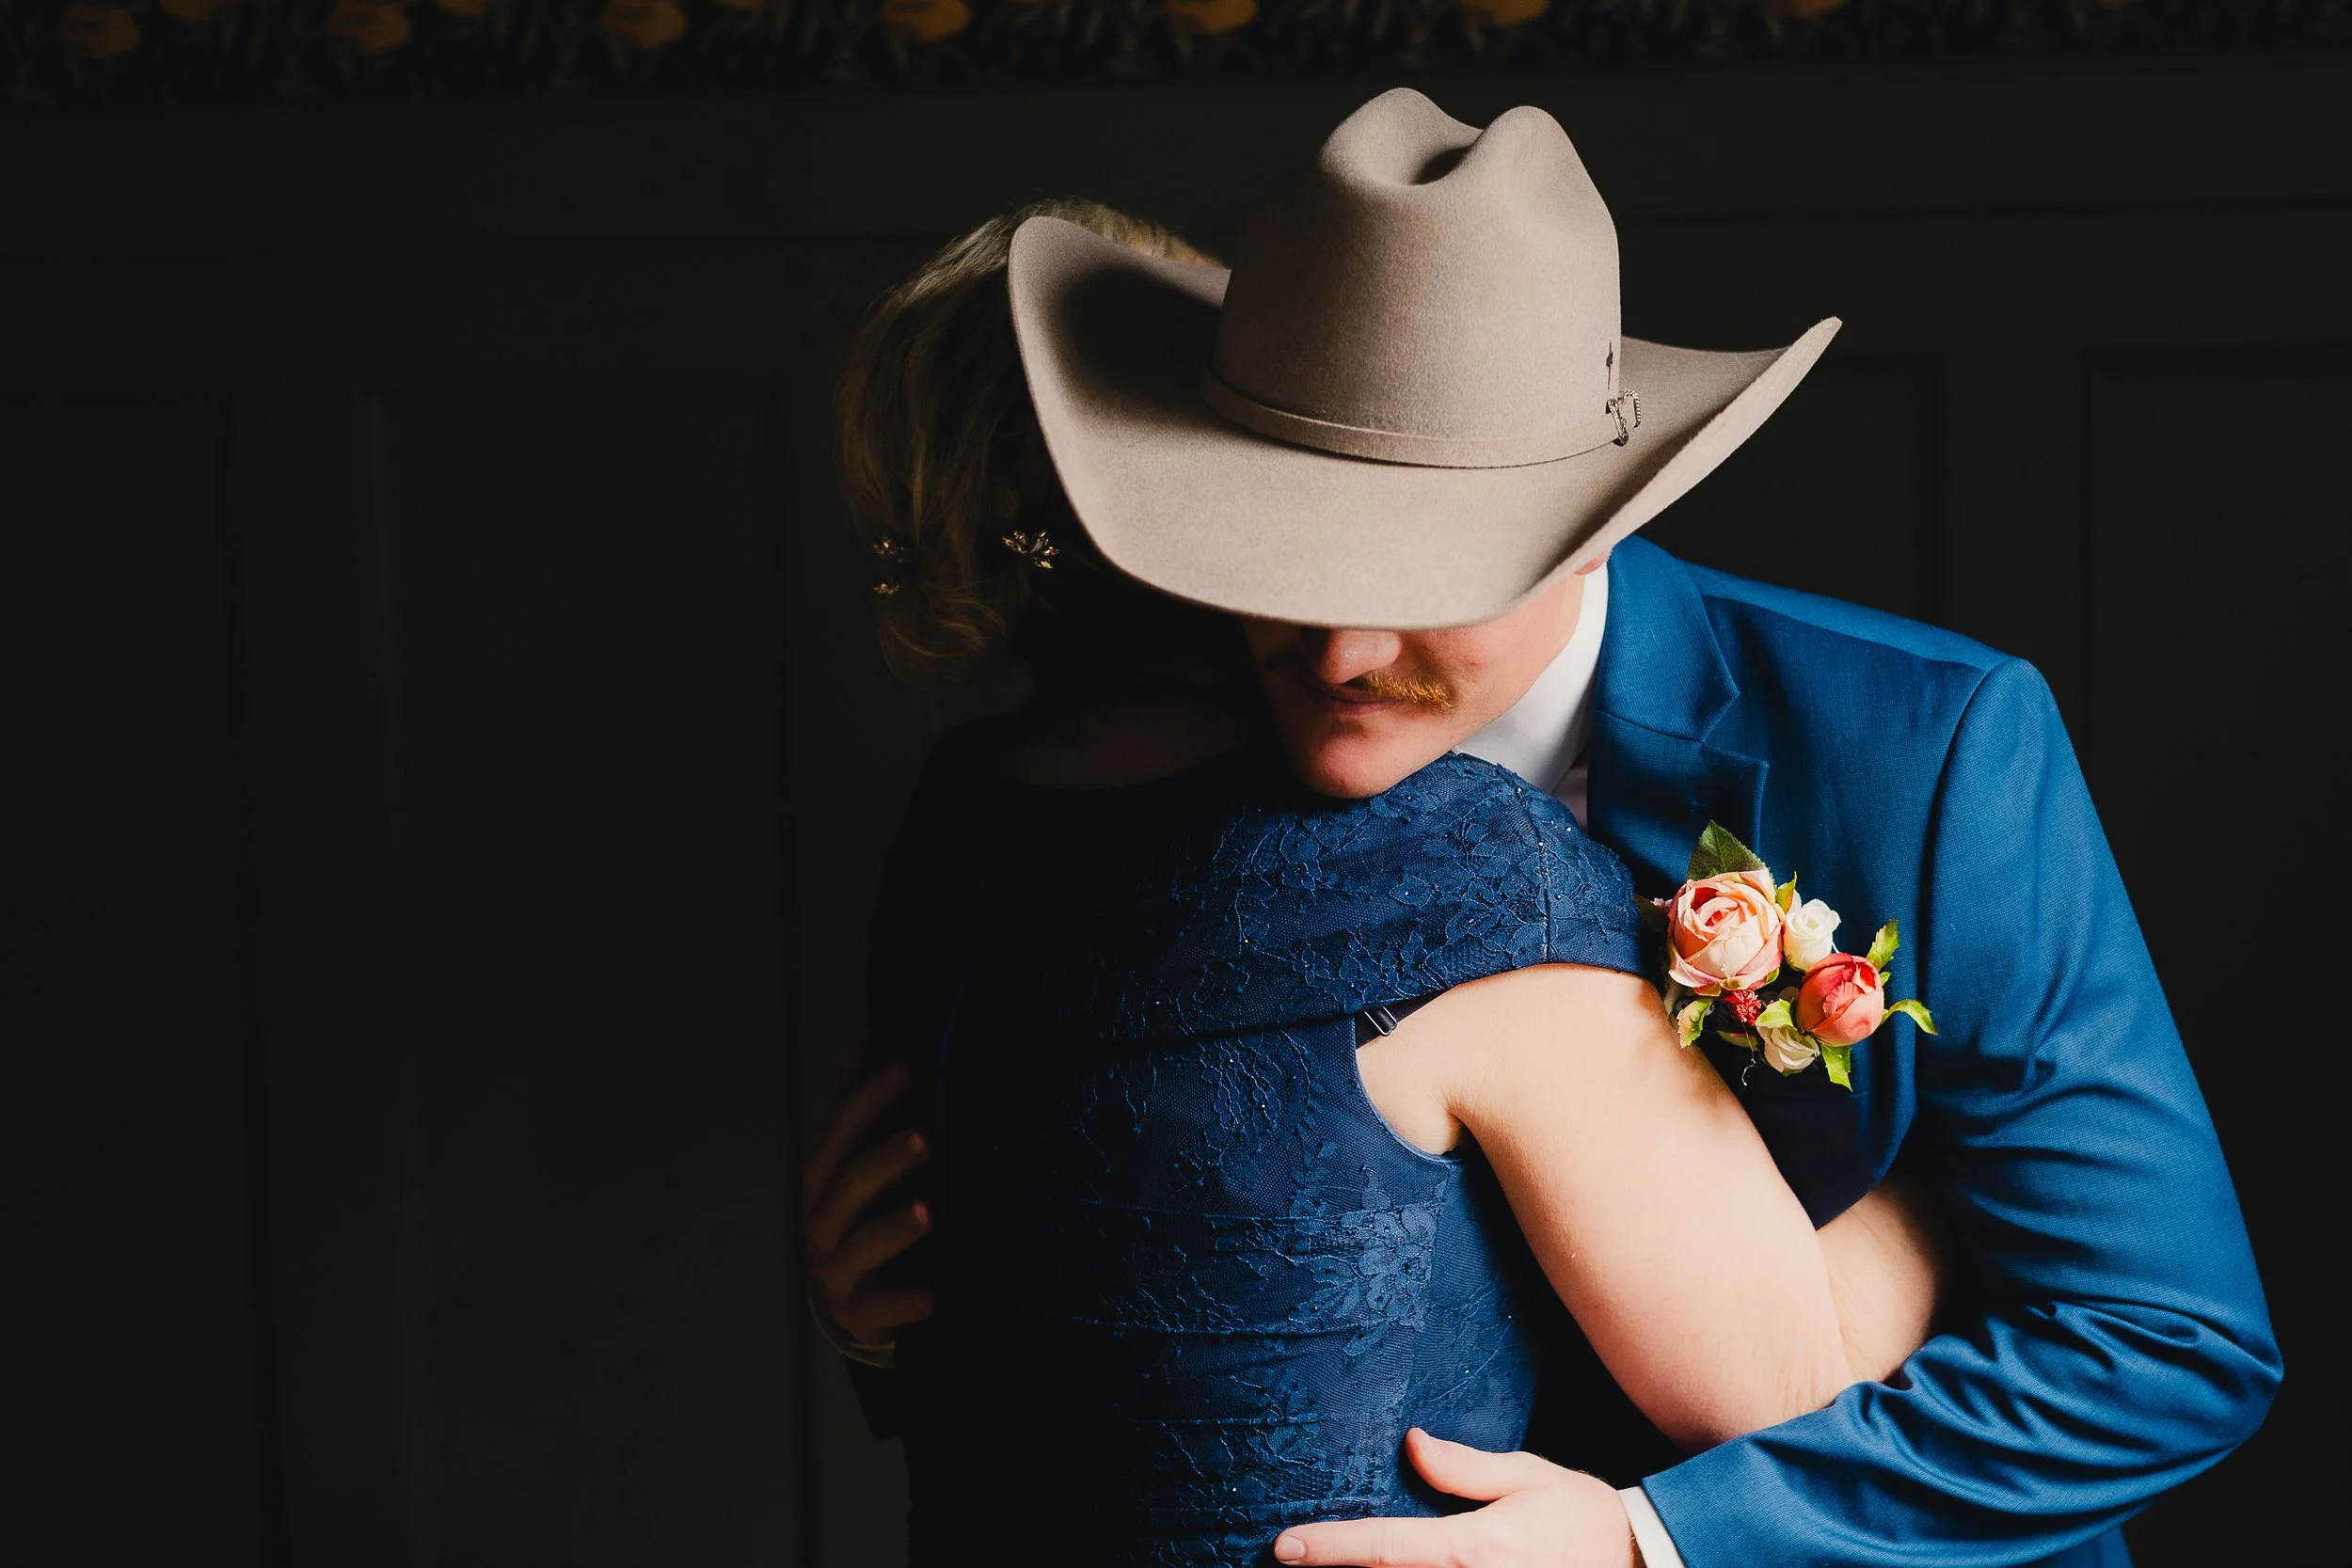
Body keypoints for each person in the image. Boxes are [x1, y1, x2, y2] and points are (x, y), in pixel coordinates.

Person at [820, 89, 2280, 1568]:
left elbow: (2171, 1346)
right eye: (1277, 542)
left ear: (1587, 514)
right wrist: (902, 1316)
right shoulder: (1092, 807)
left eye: (1424, 565)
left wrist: (1661, 1538)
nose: (1335, 650)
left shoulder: (1930, 753)